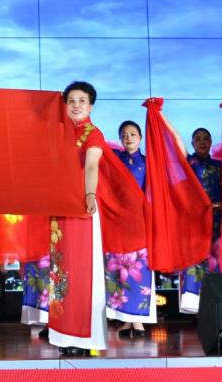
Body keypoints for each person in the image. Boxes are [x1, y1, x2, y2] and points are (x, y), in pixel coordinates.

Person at [47, 81, 106, 356]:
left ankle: (83, 337)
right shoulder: (57, 133)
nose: (76, 105)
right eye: (71, 101)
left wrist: (90, 194)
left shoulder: (93, 134)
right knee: (60, 271)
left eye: (82, 101)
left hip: (83, 206)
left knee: (82, 269)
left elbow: (92, 165)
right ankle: (63, 334)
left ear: (90, 106)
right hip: (59, 208)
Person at [108, 120, 157, 336]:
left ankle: (138, 320)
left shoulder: (148, 163)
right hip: (118, 221)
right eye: (124, 135)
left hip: (140, 220)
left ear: (140, 138)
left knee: (140, 269)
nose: (128, 138)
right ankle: (125, 320)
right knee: (119, 270)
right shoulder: (114, 160)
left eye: (133, 134)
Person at [179, 127, 222, 314]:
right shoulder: (188, 163)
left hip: (217, 221)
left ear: (211, 142)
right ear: (192, 143)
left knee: (216, 260)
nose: (202, 142)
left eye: (206, 138)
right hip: (195, 221)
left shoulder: (221, 166)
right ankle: (194, 306)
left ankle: (216, 304)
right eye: (198, 139)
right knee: (195, 259)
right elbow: (175, 141)